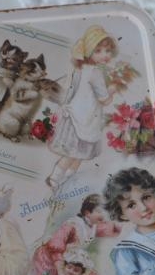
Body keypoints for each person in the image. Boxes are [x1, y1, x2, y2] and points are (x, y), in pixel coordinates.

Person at [46, 25, 119, 190]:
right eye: (98, 51)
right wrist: (112, 90)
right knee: (75, 152)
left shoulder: (80, 69)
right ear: (88, 51)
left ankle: (68, 177)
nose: (105, 55)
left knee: (79, 151)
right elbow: (104, 100)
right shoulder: (95, 73)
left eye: (108, 51)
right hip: (84, 120)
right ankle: (55, 178)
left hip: (75, 116)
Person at [32, 193, 120, 275]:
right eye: (99, 211)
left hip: (69, 263)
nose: (103, 215)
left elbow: (110, 229)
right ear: (87, 213)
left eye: (105, 211)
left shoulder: (93, 226)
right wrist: (60, 271)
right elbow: (56, 246)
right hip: (50, 261)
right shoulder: (72, 225)